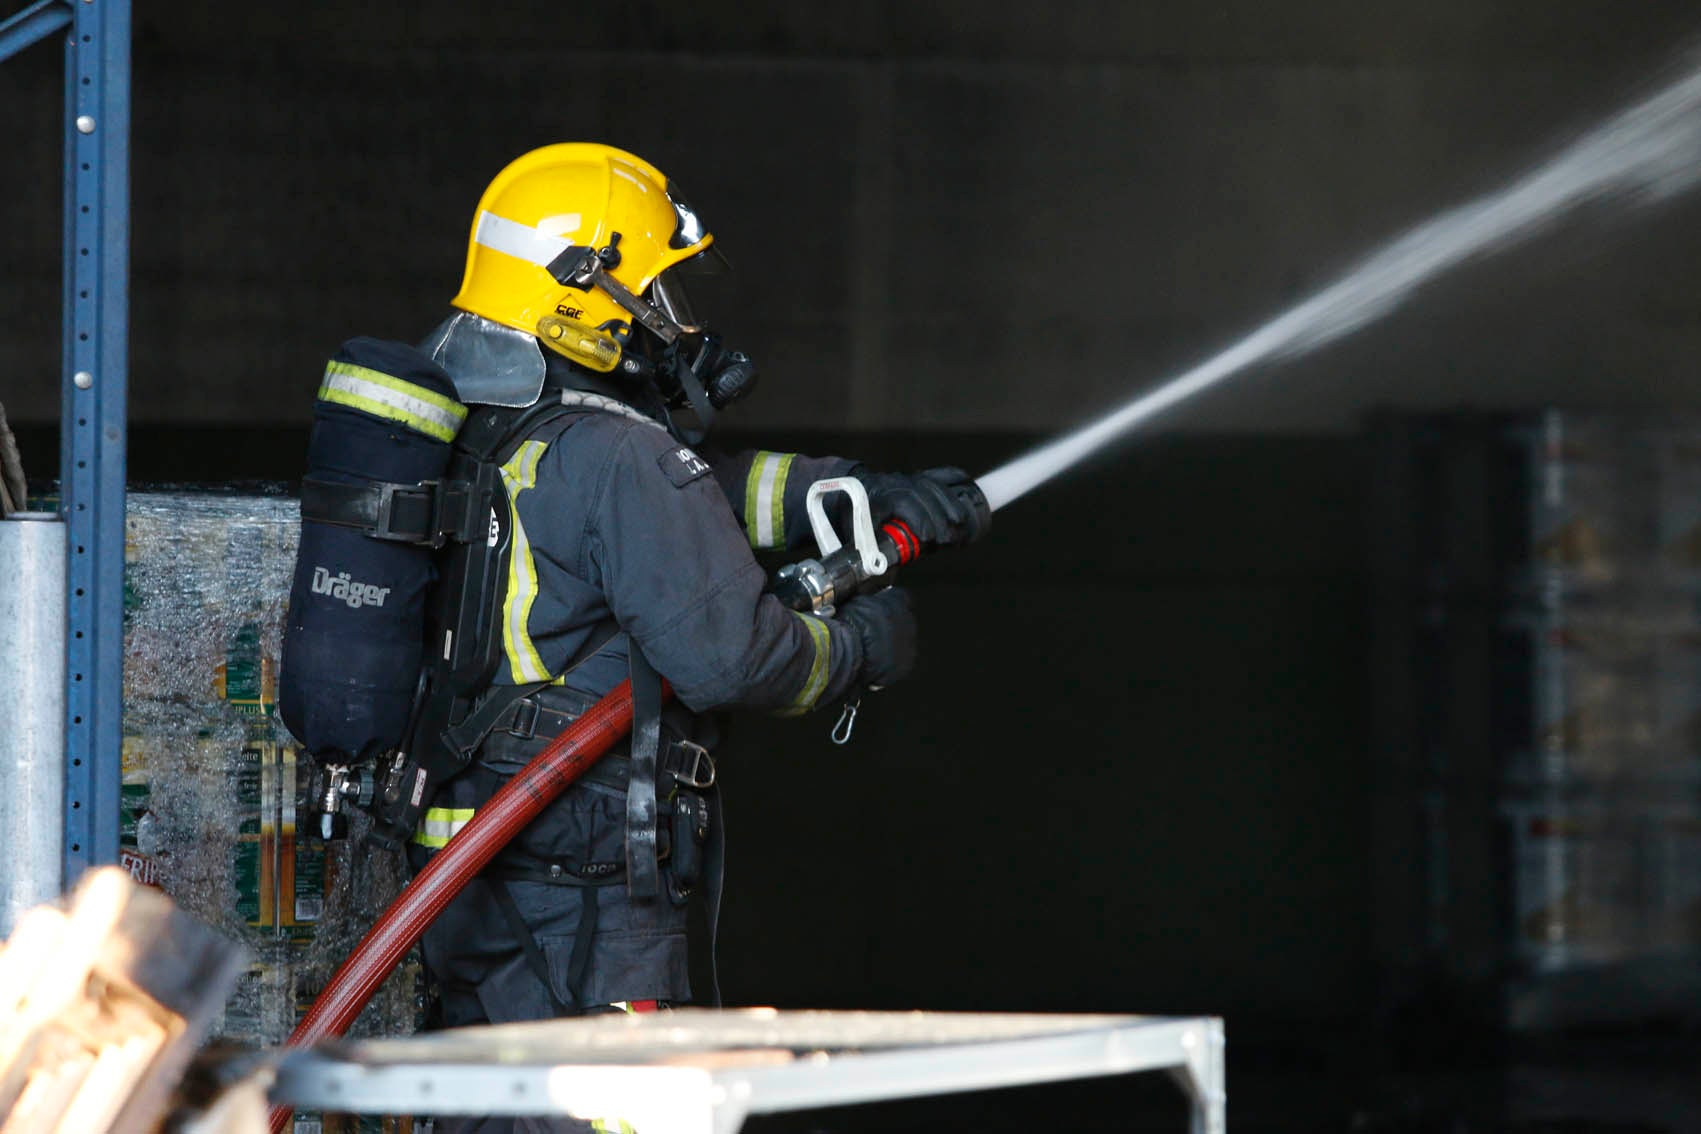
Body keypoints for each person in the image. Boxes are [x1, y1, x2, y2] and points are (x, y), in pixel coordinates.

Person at [393, 143, 987, 1127]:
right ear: (583, 295)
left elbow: (688, 504)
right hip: (583, 882)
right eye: (660, 292)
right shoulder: (622, 455)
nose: (679, 322)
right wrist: (860, 650)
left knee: (495, 1108)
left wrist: (848, 490)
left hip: (473, 866)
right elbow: (731, 657)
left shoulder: (481, 424)